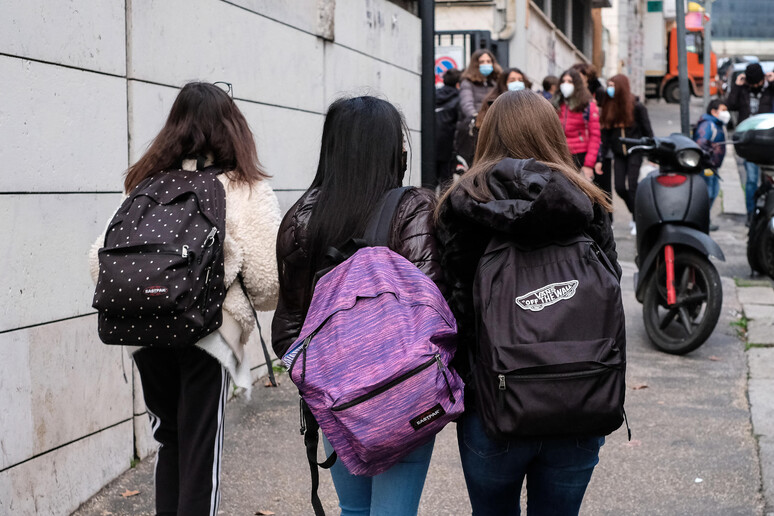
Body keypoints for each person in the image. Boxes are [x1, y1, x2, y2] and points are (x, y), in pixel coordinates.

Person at [89, 82, 281, 515]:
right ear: (233, 127)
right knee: (201, 448)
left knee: (169, 438)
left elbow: (98, 260)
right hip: (211, 332)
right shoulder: (243, 186)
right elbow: (269, 283)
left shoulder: (144, 182)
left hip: (141, 327)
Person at [436, 89, 620, 516]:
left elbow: (455, 306)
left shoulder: (461, 206)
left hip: (492, 404)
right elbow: (610, 283)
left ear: (487, 136)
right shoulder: (587, 202)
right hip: (582, 395)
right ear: (553, 135)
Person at [271, 96, 446, 516]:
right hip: (403, 391)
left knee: (353, 511)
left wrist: (320, 385)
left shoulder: (303, 216)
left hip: (336, 393)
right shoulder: (413, 209)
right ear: (389, 149)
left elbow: (290, 321)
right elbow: (435, 303)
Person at [596, 74, 654, 235]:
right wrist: (600, 159)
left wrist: (652, 155)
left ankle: (637, 219)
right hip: (618, 153)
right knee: (619, 187)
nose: (609, 88)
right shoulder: (609, 106)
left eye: (613, 85)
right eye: (608, 85)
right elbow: (605, 136)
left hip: (635, 151)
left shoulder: (637, 106)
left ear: (621, 87)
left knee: (633, 186)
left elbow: (648, 131)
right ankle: (636, 212)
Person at [726, 63, 774, 224]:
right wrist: (737, 86)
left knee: (769, 181)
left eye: (757, 83)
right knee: (751, 180)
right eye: (751, 83)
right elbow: (730, 105)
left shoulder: (769, 89)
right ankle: (751, 215)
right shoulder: (743, 89)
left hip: (768, 141)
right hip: (749, 142)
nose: (754, 86)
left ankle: (768, 213)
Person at [455, 49, 502, 169]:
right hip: (478, 125)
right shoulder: (467, 82)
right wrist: (476, 117)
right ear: (476, 65)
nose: (486, 64)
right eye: (482, 62)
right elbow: (466, 104)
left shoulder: (495, 83)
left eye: (488, 61)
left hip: (495, 124)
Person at [554, 68, 601, 181]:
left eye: (570, 82)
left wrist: (588, 165)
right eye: (563, 81)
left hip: (579, 156)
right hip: (559, 154)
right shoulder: (555, 104)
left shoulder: (587, 106)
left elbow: (595, 136)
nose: (566, 84)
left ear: (577, 84)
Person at [693, 99, 730, 231]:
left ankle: (704, 221)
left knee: (713, 193)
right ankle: (700, 222)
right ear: (713, 112)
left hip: (712, 167)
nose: (726, 113)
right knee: (708, 194)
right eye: (723, 110)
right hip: (707, 167)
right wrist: (708, 159)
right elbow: (700, 144)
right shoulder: (708, 125)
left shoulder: (717, 124)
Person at [436, 68, 462, 186]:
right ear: (458, 83)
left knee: (430, 181)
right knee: (446, 182)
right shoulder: (458, 98)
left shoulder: (433, 95)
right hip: (448, 145)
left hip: (431, 145)